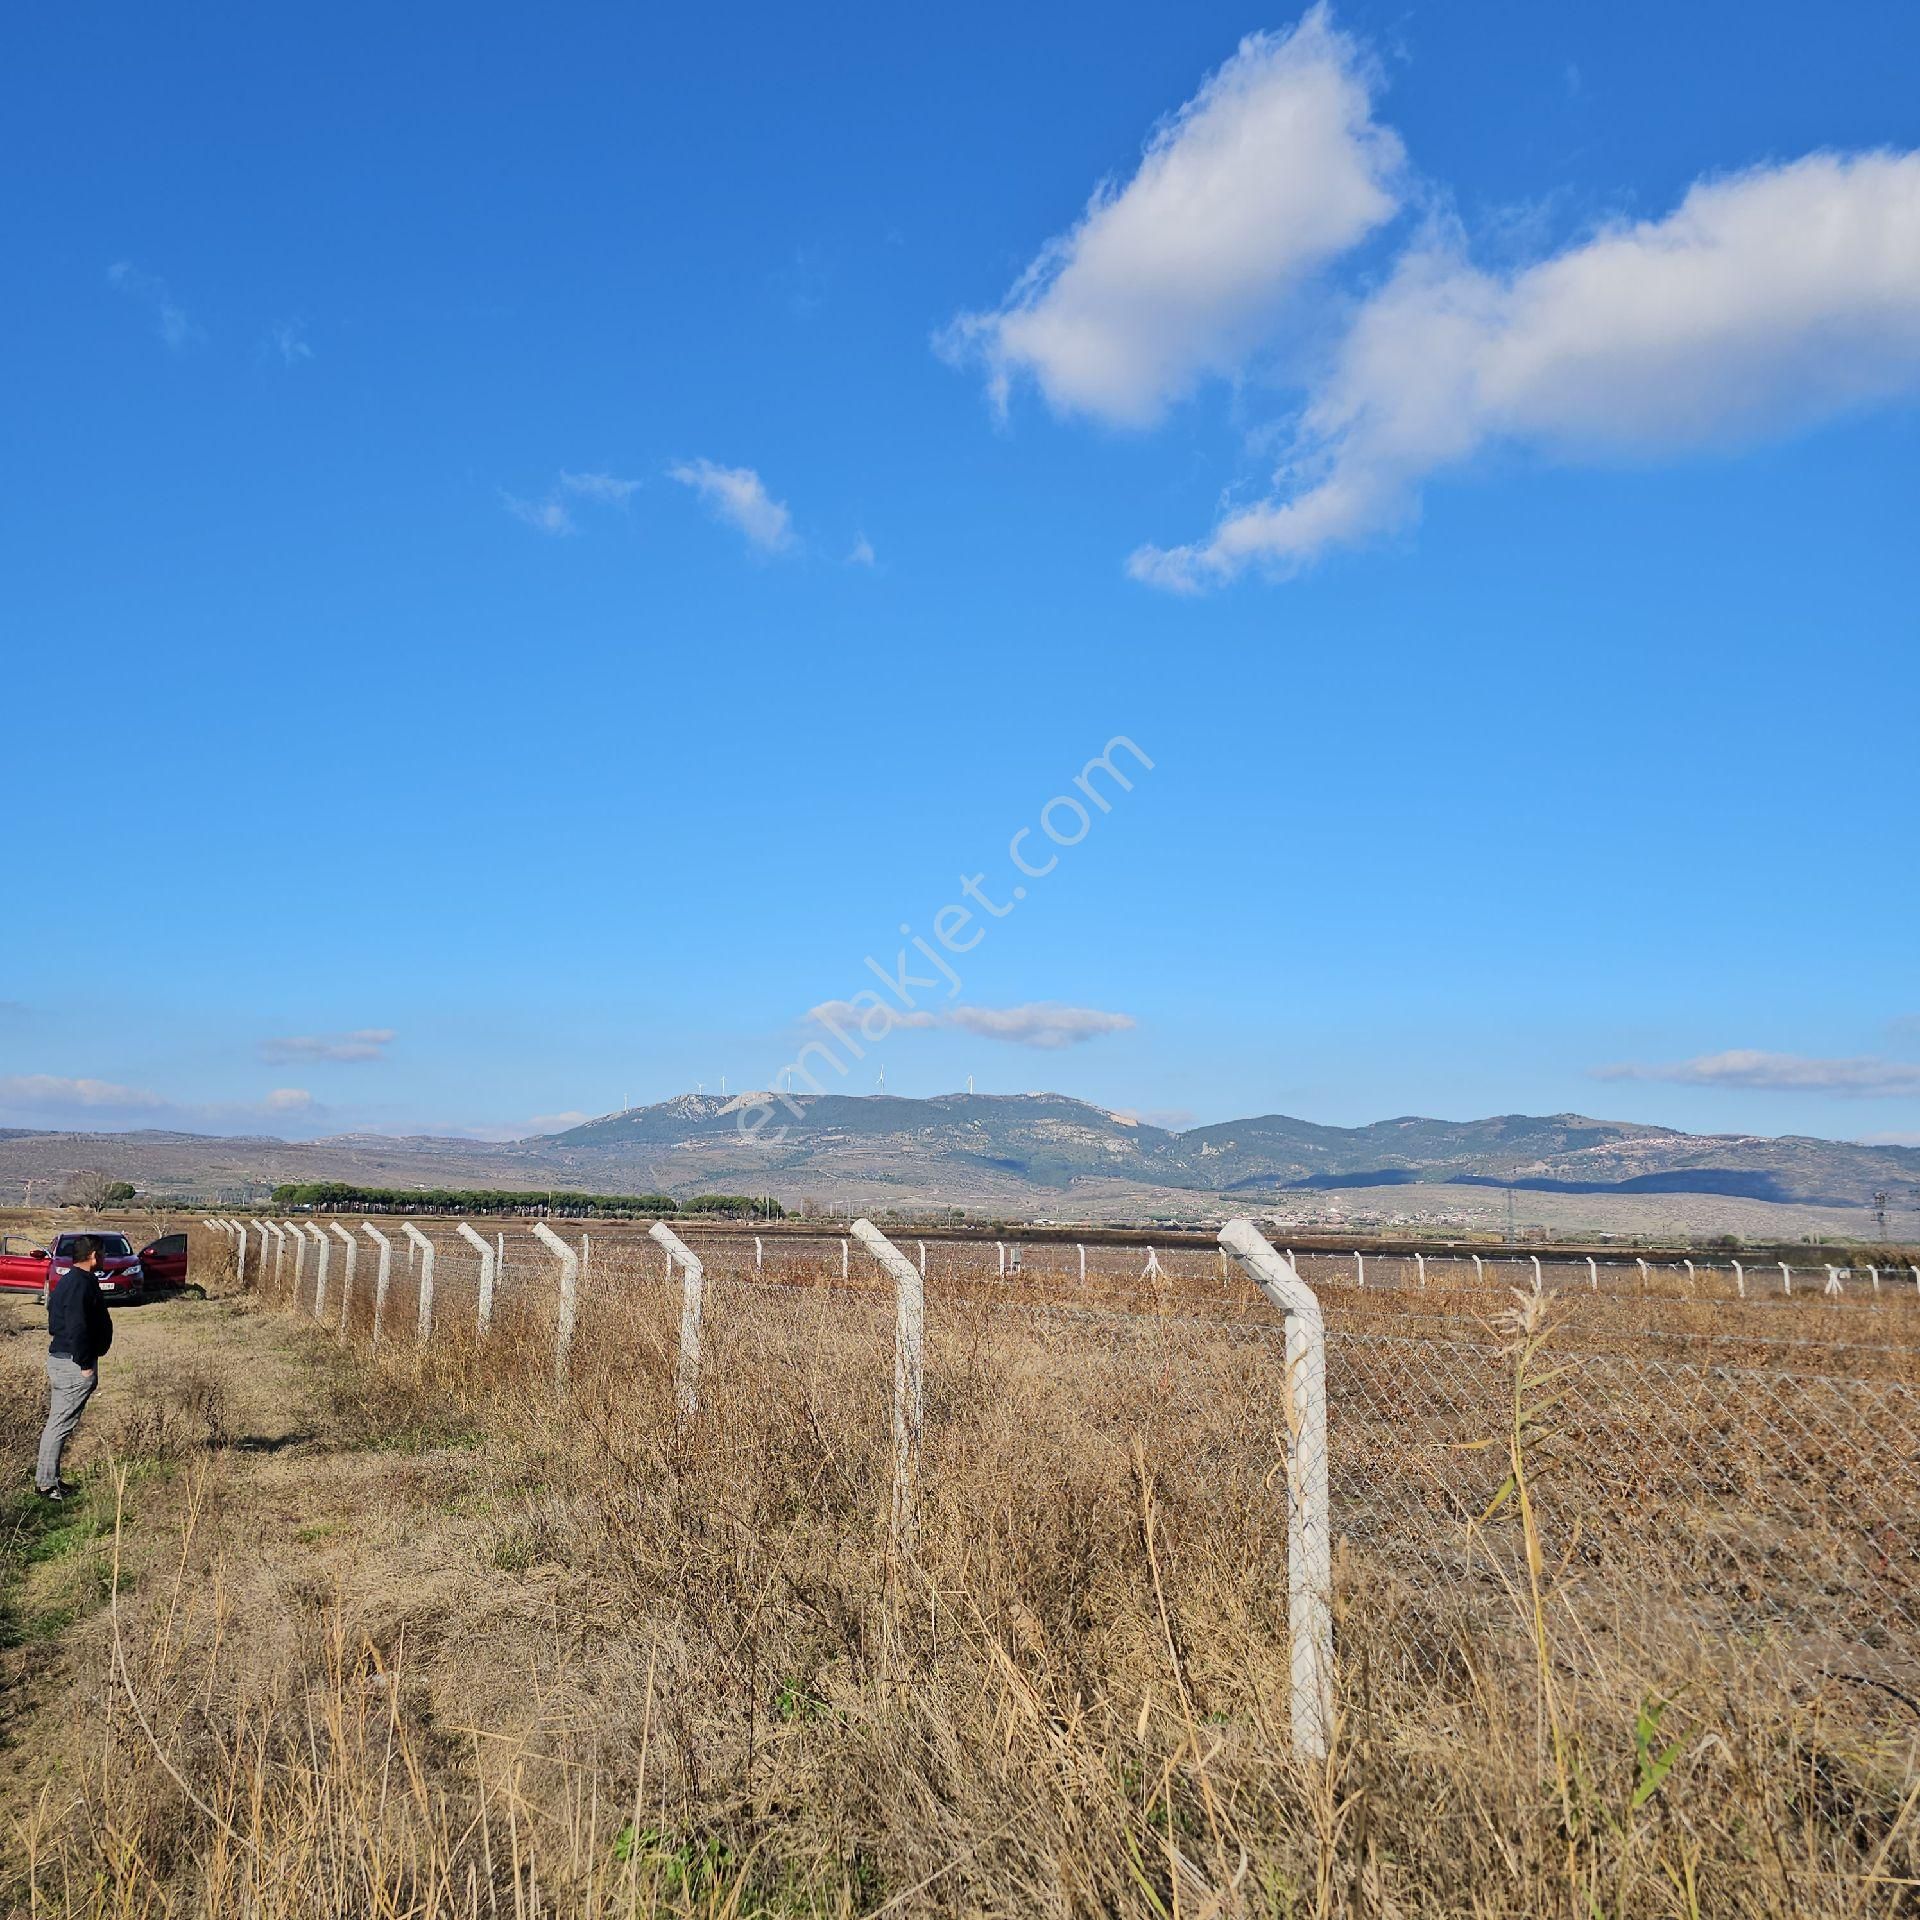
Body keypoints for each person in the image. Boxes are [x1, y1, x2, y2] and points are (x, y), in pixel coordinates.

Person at [36, 1233, 114, 1500]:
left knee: (60, 1423)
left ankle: (51, 1479)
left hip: (66, 1359)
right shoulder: (80, 1284)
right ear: (93, 1256)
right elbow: (76, 1325)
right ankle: (46, 1484)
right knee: (59, 1424)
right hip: (72, 1363)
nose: (104, 1258)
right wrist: (84, 1364)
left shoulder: (70, 1281)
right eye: (102, 1253)